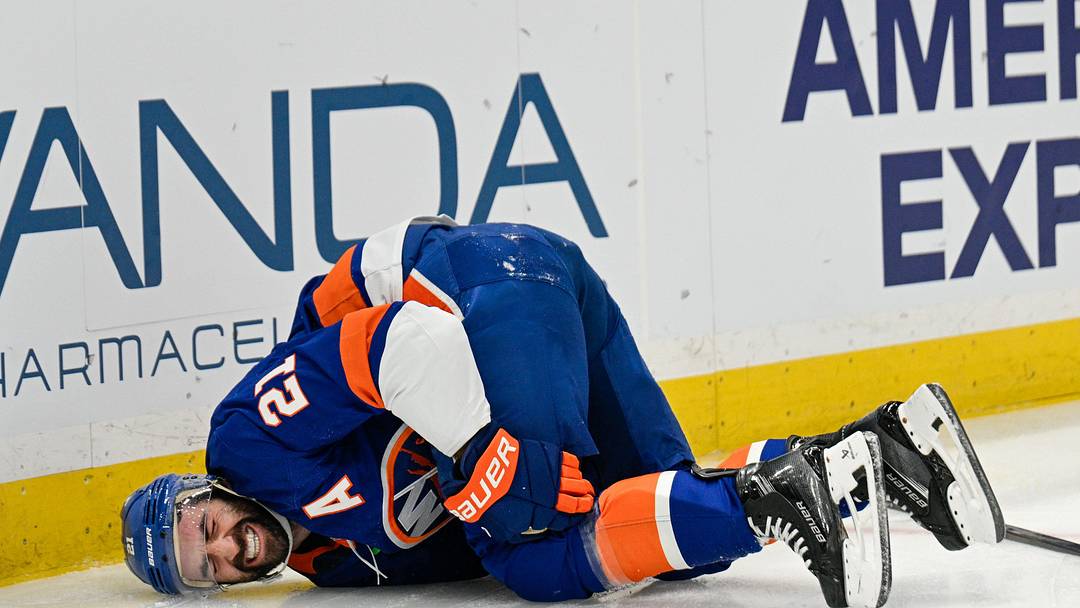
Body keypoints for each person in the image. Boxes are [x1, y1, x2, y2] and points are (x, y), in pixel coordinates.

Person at [120, 216, 1004, 607]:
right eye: (207, 570)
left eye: (204, 526)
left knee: (535, 553)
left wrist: (483, 456)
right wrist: (490, 477)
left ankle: (781, 490)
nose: (225, 549)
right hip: (541, 286)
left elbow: (404, 347)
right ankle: (882, 453)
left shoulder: (248, 442)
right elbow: (463, 526)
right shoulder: (337, 567)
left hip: (484, 290)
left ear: (204, 490)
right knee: (660, 530)